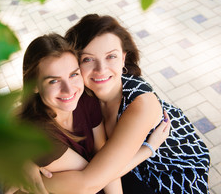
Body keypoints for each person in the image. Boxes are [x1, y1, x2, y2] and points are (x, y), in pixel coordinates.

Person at [40, 14, 210, 194]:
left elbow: (92, 181)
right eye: (88, 59)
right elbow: (32, 110)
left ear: (123, 58)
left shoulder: (141, 104)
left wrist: (36, 182)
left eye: (110, 56)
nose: (101, 69)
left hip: (172, 174)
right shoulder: (79, 90)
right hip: (130, 168)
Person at [7, 33, 170, 194]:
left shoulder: (85, 98)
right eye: (54, 81)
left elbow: (102, 156)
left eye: (73, 74)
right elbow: (89, 183)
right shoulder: (38, 136)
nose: (69, 89)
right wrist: (149, 148)